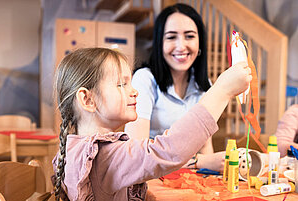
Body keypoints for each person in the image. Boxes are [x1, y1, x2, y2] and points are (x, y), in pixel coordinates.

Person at [52, 47, 250, 201]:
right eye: (122, 84)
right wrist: (222, 90)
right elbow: (168, 150)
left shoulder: (78, 148)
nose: (135, 91)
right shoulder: (102, 155)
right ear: (87, 100)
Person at [125, 3, 225, 172]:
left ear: (200, 42)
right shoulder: (145, 79)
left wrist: (211, 169)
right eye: (171, 37)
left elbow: (205, 147)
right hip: (151, 178)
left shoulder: (203, 84)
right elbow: (137, 153)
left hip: (189, 180)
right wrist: (200, 162)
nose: (181, 46)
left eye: (190, 36)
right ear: (159, 43)